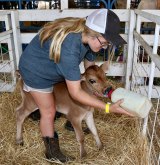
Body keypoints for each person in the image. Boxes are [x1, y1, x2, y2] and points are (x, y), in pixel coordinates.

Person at [18, 9, 133, 163]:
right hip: (36, 71)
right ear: (94, 34)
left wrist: (95, 89)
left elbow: (89, 70)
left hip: (53, 68)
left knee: (64, 102)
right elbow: (76, 93)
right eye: (104, 42)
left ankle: (71, 120)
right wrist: (107, 108)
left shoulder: (87, 39)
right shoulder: (70, 49)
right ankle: (52, 152)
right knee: (49, 111)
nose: (104, 47)